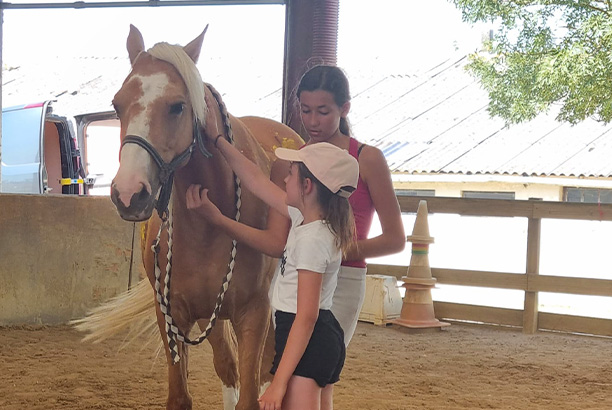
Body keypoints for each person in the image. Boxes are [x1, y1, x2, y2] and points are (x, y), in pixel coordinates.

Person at [187, 140, 359, 410]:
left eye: (290, 174)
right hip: (320, 337)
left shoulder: (311, 240)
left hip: (306, 340)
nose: (285, 179)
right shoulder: (308, 219)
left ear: (307, 186)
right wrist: (220, 140)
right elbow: (254, 179)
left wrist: (278, 382)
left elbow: (306, 316)